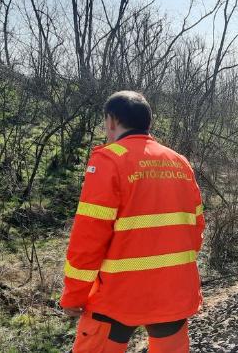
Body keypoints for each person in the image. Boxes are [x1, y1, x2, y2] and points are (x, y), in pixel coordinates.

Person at [60, 91, 204, 352]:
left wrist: (74, 294)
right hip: (172, 291)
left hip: (117, 297)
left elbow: (88, 237)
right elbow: (195, 230)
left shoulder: (109, 160)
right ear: (147, 122)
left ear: (112, 121)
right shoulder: (179, 162)